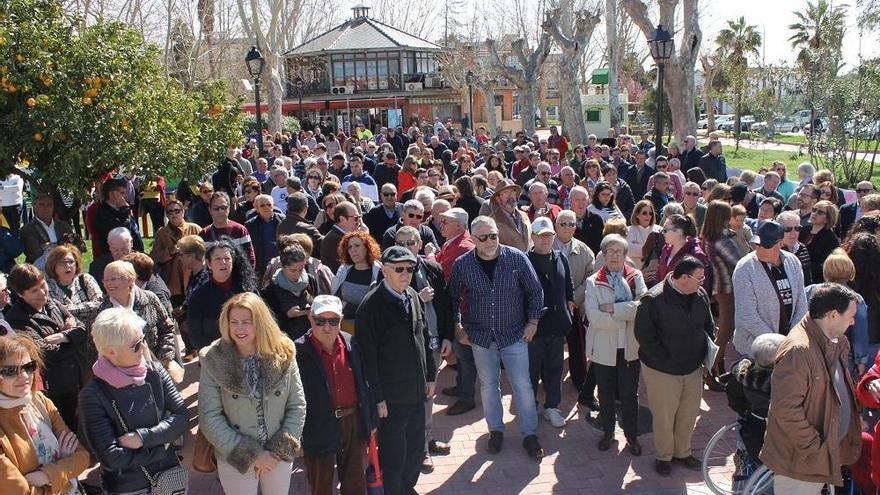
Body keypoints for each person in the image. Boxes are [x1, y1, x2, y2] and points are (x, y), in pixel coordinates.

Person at [449, 216, 545, 459]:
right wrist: (458, 326)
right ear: (473, 239)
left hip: (514, 333)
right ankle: (496, 430)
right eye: (483, 237)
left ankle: (529, 433)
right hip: (480, 337)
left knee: (522, 385)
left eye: (493, 235)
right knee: (489, 385)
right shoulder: (463, 265)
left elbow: (535, 291)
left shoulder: (516, 258)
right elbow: (452, 299)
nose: (490, 241)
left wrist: (533, 322)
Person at [199, 293, 306, 494]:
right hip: (235, 457)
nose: (239, 329)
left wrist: (277, 451)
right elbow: (209, 417)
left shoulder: (284, 352)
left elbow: (297, 405)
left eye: (247, 322)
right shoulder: (213, 359)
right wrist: (253, 456)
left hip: (278, 456)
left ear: (260, 323)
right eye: (234, 322)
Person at [761, 283, 862, 493]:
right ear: (833, 315)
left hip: (817, 459)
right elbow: (785, 410)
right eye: (850, 316)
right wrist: (816, 448)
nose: (853, 322)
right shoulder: (799, 351)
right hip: (801, 463)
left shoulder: (835, 341)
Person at [78, 308, 187, 495]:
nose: (144, 348)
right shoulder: (93, 394)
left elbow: (182, 416)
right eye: (136, 345)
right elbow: (111, 457)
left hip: (169, 475)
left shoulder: (154, 371)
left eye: (143, 339)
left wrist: (144, 438)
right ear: (111, 352)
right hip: (131, 487)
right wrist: (163, 447)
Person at [355, 246, 437, 495]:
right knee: (394, 453)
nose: (405, 273)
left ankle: (406, 488)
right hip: (391, 397)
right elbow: (367, 358)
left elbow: (424, 335)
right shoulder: (370, 307)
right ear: (384, 270)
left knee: (414, 448)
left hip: (416, 390)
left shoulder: (412, 295)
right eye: (399, 269)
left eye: (410, 269)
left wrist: (431, 375)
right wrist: (378, 397)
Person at [635, 257, 715, 476]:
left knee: (688, 413)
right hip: (663, 369)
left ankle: (683, 452)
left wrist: (707, 351)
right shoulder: (653, 300)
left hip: (693, 367)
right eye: (700, 277)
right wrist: (665, 358)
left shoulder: (700, 295)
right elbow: (644, 336)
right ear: (683, 278)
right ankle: (664, 457)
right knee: (664, 415)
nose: (703, 281)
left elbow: (708, 324)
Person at [385, 226, 453, 472]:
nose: (407, 247)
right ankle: (418, 447)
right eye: (401, 243)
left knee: (428, 396)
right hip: (406, 350)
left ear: (419, 244)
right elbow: (388, 315)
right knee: (413, 398)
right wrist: (417, 298)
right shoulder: (391, 275)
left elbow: (447, 304)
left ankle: (424, 440)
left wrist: (448, 336)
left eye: (411, 242)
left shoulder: (432, 268)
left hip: (433, 344)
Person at [295, 295, 377, 495]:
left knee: (355, 483)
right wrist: (296, 436)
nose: (327, 327)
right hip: (318, 425)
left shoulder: (351, 343)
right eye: (320, 320)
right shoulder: (297, 351)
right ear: (310, 319)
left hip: (352, 421)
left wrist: (369, 421)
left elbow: (363, 383)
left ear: (341, 320)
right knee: (320, 484)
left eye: (333, 321)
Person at [0, 334, 90, 495]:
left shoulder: (39, 401)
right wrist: (64, 467)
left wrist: (48, 474)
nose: (24, 376)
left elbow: (82, 456)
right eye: (10, 371)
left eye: (28, 367)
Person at [585, 234, 647, 454]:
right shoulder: (593, 281)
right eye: (609, 251)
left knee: (630, 395)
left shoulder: (635, 276)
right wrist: (625, 316)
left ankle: (632, 436)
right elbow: (594, 317)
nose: (613, 256)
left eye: (618, 252)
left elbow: (643, 308)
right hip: (603, 348)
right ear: (603, 255)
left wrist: (613, 308)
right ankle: (608, 432)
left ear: (625, 255)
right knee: (605, 392)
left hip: (630, 348)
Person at [5, 264, 88, 430]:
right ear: (21, 294)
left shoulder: (53, 303)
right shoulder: (17, 318)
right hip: (56, 386)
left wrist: (63, 336)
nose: (42, 293)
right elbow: (43, 352)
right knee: (66, 428)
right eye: (34, 291)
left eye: (43, 286)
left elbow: (82, 330)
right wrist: (72, 338)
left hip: (77, 377)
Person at [732, 221, 809, 354]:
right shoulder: (745, 268)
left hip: (789, 343)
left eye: (765, 245)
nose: (759, 248)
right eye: (757, 244)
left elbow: (801, 303)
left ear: (780, 244)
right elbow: (747, 314)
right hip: (756, 347)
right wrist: (778, 342)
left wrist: (792, 337)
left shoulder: (793, 262)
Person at [525, 218, 574, 429]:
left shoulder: (560, 257)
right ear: (533, 237)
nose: (545, 240)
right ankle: (529, 409)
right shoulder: (524, 261)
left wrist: (569, 307)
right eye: (540, 235)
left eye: (548, 235)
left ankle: (552, 407)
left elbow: (568, 284)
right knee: (531, 371)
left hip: (557, 324)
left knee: (555, 369)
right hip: (533, 327)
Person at [96, 260, 177, 365]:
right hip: (121, 373)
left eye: (113, 279)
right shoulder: (102, 311)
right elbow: (96, 347)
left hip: (155, 366)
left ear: (130, 279)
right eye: (105, 280)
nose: (108, 283)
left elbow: (167, 329)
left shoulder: (150, 299)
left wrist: (165, 358)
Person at [805, 249, 869, 374]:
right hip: (843, 356)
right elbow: (860, 333)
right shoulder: (855, 298)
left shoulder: (809, 292)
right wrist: (861, 361)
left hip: (811, 351)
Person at [187, 239, 258, 350]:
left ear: (233, 262)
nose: (223, 262)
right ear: (209, 263)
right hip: (214, 354)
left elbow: (261, 322)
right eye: (218, 259)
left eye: (227, 259)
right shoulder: (198, 296)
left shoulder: (247, 290)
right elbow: (195, 335)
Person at [701, 201, 742, 371]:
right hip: (726, 288)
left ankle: (717, 367)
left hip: (721, 287)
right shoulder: (720, 240)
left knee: (724, 331)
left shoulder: (710, 237)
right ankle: (709, 369)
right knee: (724, 332)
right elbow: (738, 263)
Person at [261, 244, 318, 341]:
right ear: (282, 266)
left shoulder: (310, 281)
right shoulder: (270, 290)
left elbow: (317, 305)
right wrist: (287, 315)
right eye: (292, 270)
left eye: (301, 269)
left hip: (311, 339)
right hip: (284, 340)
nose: (297, 274)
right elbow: (267, 322)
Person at [150, 199, 201, 304]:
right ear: (166, 215)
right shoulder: (162, 233)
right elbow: (156, 256)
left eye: (177, 211)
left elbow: (205, 252)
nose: (174, 214)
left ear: (183, 212)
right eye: (170, 212)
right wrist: (170, 251)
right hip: (172, 283)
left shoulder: (195, 229)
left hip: (194, 278)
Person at [44, 244, 103, 330]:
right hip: (66, 334)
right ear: (53, 265)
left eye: (71, 262)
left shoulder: (85, 279)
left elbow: (100, 304)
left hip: (93, 331)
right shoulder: (47, 287)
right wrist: (87, 308)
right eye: (63, 262)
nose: (68, 265)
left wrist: (65, 309)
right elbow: (54, 313)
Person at [655, 214, 711, 293]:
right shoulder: (665, 249)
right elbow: (659, 275)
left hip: (685, 303)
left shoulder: (696, 254)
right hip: (663, 301)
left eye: (665, 230)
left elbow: (702, 286)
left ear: (678, 231)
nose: (662, 233)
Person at [200, 191, 256, 268]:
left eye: (223, 208)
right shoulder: (204, 234)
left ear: (229, 209)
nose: (220, 211)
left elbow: (250, 259)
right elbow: (202, 262)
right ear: (210, 210)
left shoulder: (240, 230)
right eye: (216, 208)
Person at [20, 193, 77, 264]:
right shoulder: (27, 229)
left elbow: (74, 248)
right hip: (39, 271)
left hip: (65, 266)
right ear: (35, 207)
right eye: (41, 204)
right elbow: (35, 254)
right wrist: (61, 246)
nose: (45, 208)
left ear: (53, 207)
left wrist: (47, 247)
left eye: (49, 205)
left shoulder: (63, 226)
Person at [799, 200, 840, 283]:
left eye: (820, 212)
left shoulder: (831, 239)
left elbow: (827, 265)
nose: (814, 213)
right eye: (814, 210)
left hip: (815, 280)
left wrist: (805, 264)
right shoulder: (803, 230)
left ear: (828, 218)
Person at [485, 179, 531, 251]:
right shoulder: (492, 221)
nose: (510, 195)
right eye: (505, 192)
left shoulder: (524, 216)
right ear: (498, 199)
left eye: (512, 191)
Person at [319, 201, 363, 274]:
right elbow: (358, 264)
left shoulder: (345, 236)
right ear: (342, 219)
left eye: (360, 217)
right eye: (355, 218)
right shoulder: (335, 240)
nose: (359, 221)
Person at [627, 199, 662, 271]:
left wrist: (640, 249)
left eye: (650, 213)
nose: (648, 216)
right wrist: (649, 250)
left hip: (653, 272)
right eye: (644, 213)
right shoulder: (628, 230)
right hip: (634, 270)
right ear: (637, 215)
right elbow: (628, 249)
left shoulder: (659, 230)